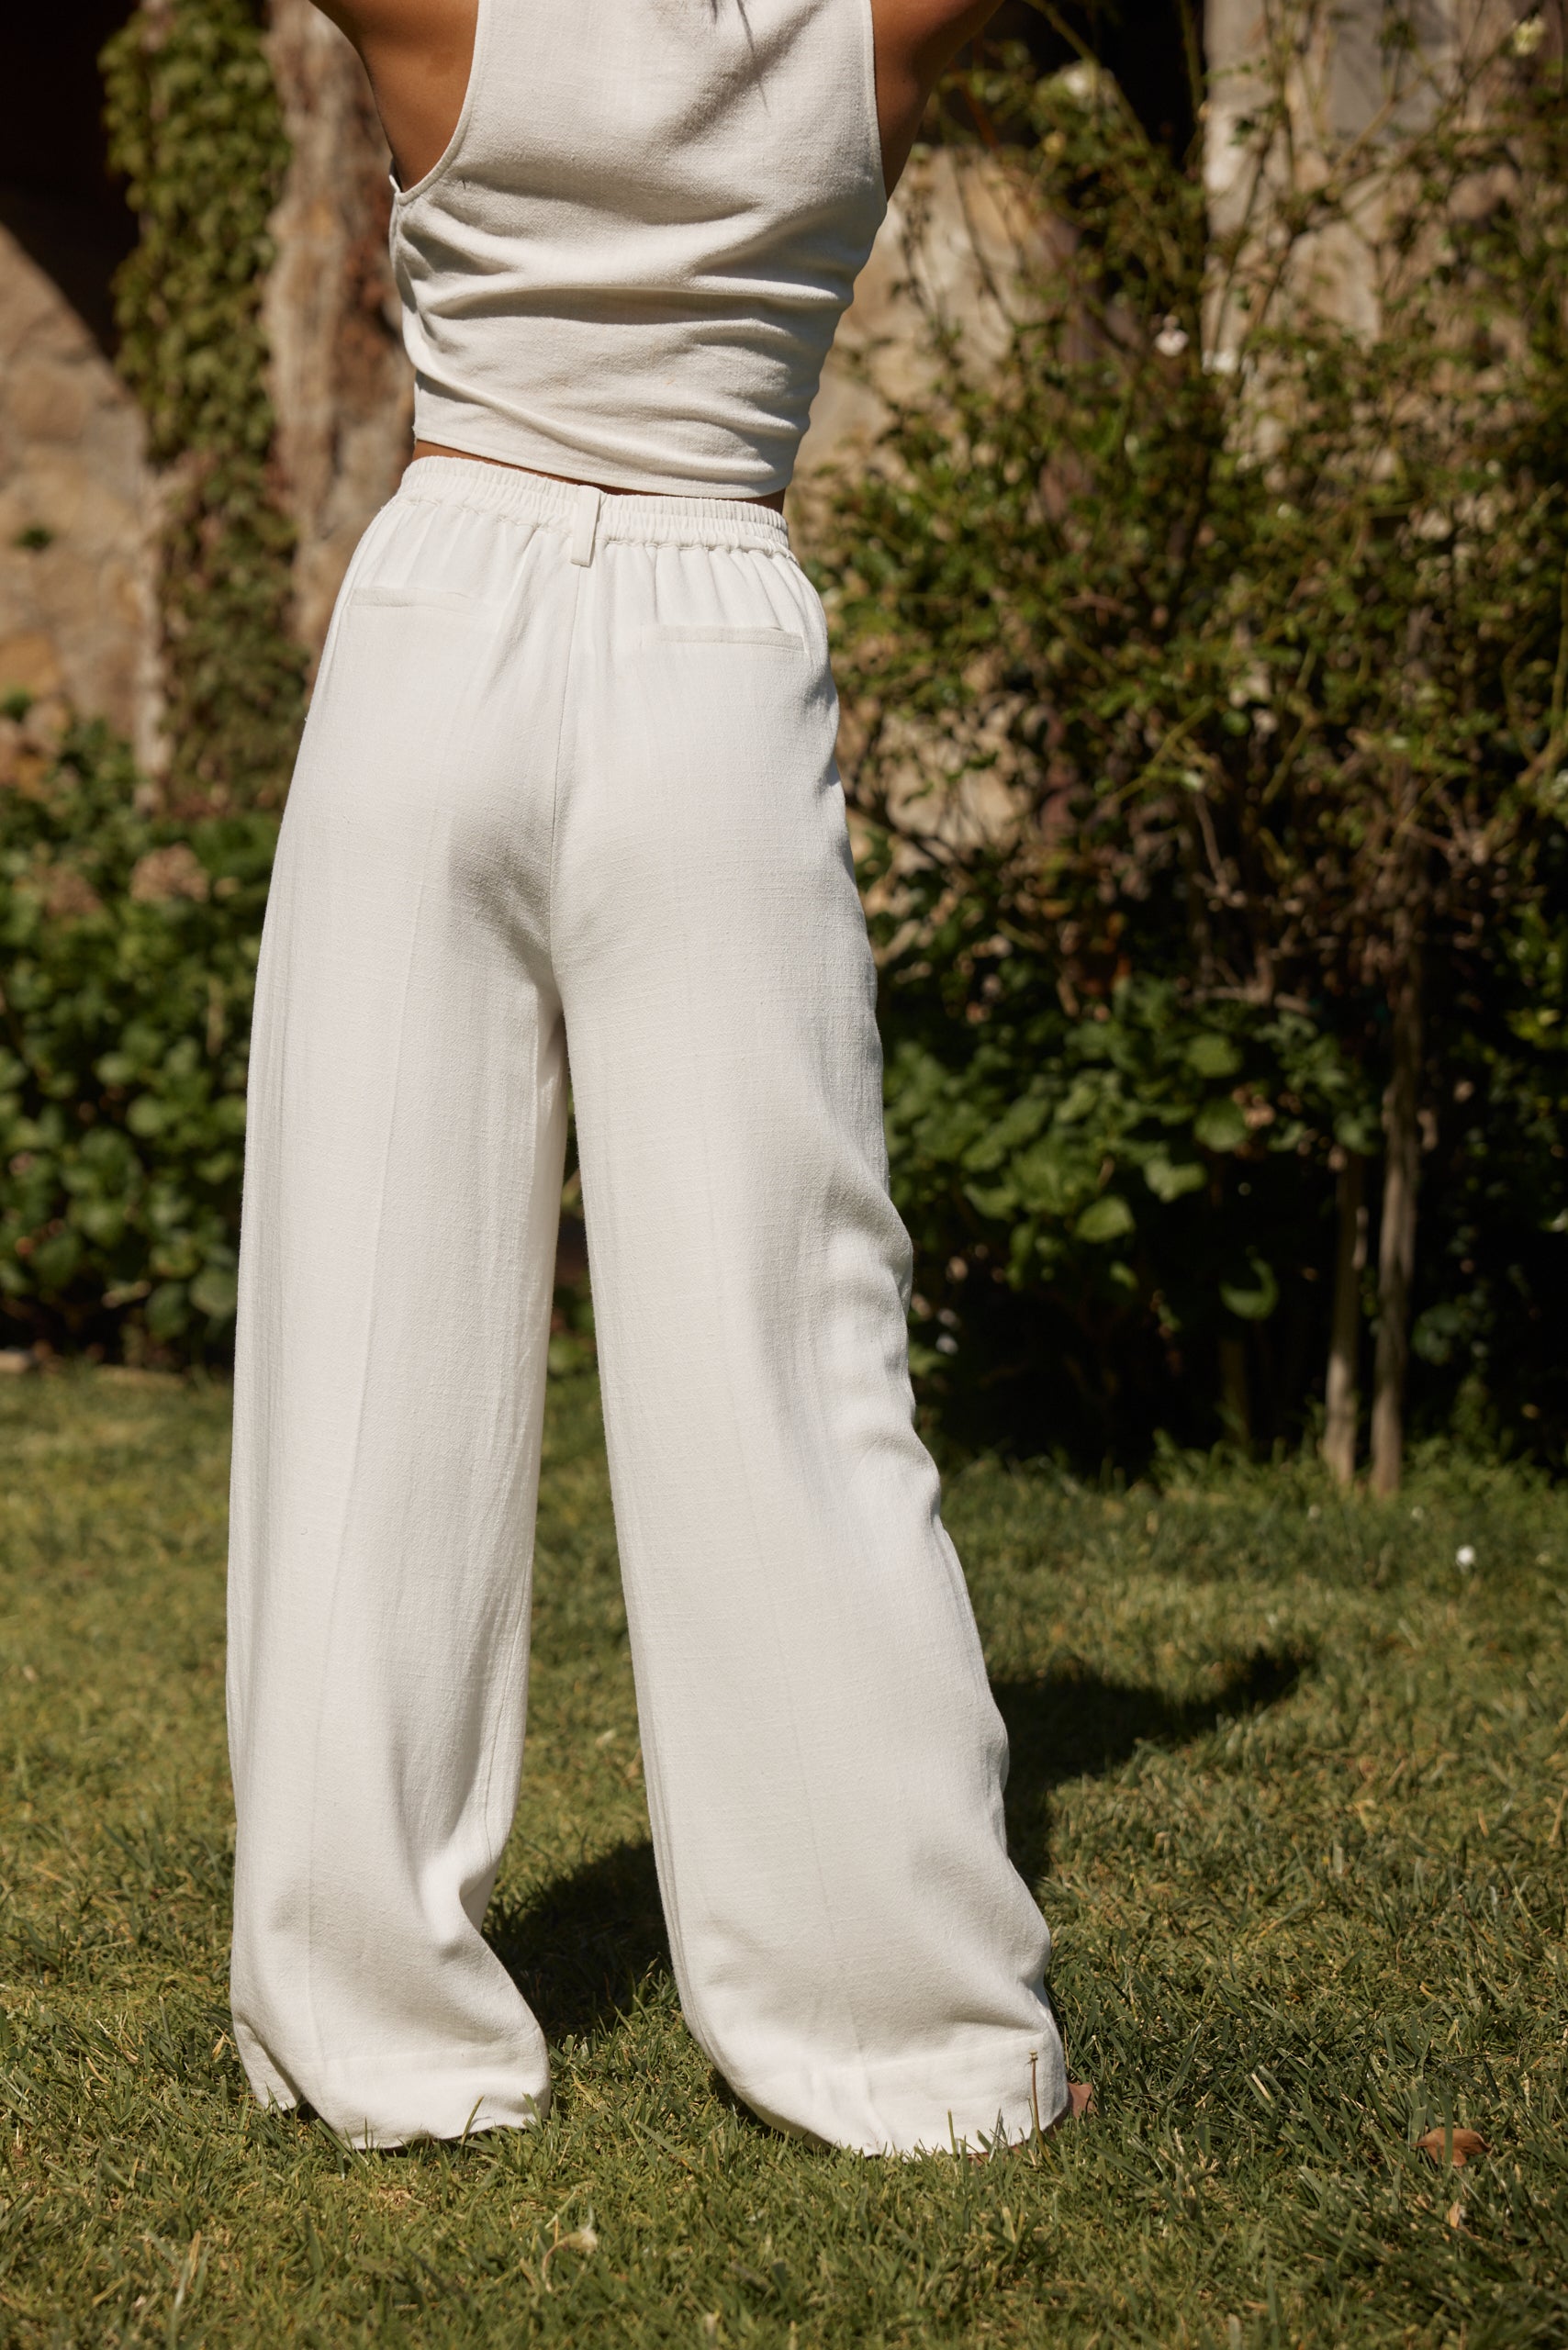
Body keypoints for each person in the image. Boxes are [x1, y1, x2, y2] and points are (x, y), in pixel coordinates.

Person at [226, 0, 1083, 2156]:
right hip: (712, 641)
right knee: (790, 1344)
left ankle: (365, 2011)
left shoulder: (445, 20)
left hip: (441, 623)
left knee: (367, 1346)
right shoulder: (875, 34)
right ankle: (899, 2023)